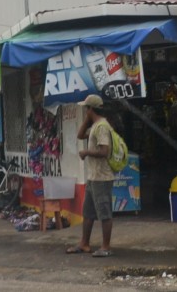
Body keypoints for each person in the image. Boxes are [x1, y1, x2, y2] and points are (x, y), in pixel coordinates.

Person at [66, 94, 115, 257]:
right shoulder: (95, 125)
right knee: (88, 213)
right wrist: (88, 118)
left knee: (104, 213)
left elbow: (104, 151)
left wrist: (86, 152)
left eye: (86, 109)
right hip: (93, 177)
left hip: (102, 177)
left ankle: (105, 247)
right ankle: (84, 243)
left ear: (91, 109)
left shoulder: (102, 127)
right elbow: (80, 135)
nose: (85, 111)